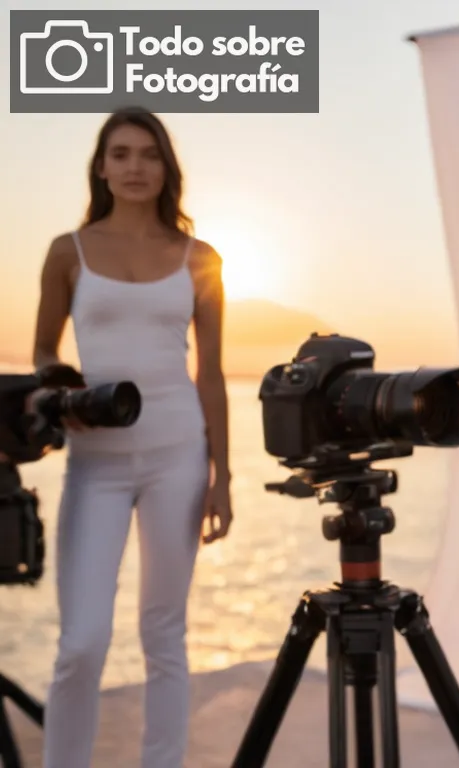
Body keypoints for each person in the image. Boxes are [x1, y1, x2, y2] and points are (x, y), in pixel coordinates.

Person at [31, 106, 234, 768]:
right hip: (96, 462)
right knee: (82, 641)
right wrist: (62, 393)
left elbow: (210, 374)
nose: (135, 167)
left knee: (164, 634)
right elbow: (42, 353)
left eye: (148, 155)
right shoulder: (70, 251)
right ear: (101, 166)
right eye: (120, 154)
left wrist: (221, 477)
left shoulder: (199, 259)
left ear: (167, 167)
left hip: (179, 452)